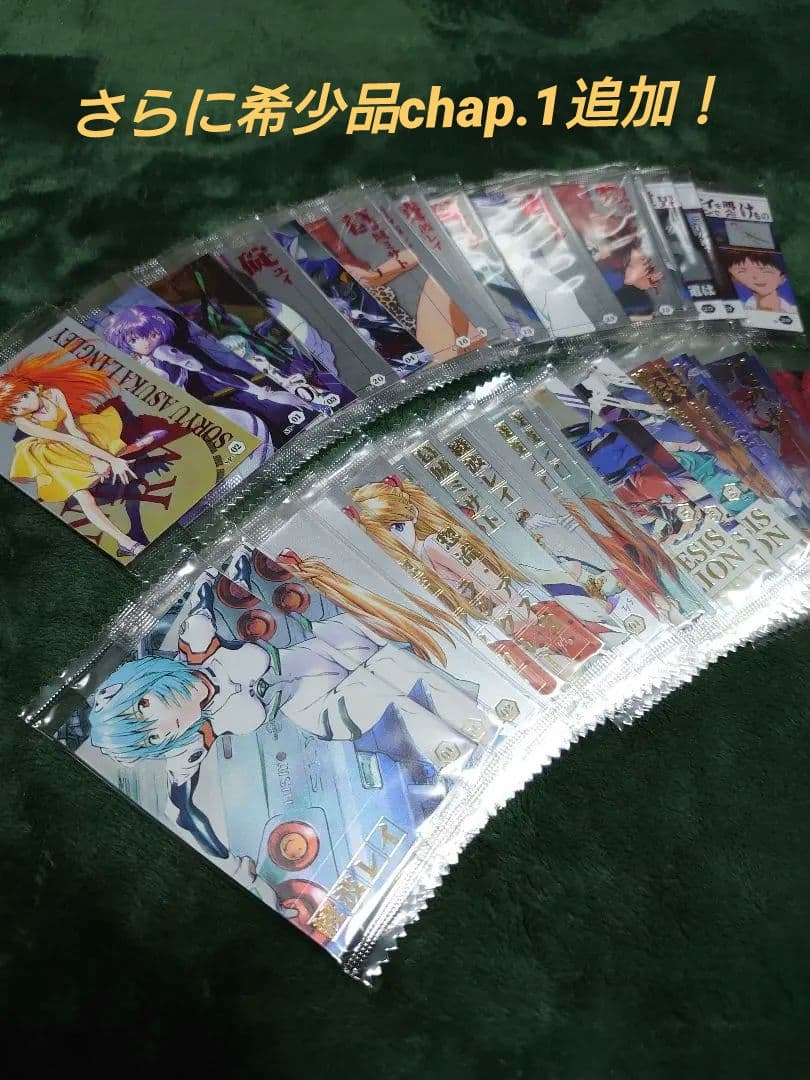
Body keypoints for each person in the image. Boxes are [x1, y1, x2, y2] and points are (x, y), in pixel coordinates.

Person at [0, 350, 144, 555]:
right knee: (85, 498)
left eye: (23, 397)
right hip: (52, 453)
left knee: (111, 444)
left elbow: (73, 430)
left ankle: (133, 447)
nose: (22, 407)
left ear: (33, 388)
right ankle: (125, 542)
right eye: (13, 408)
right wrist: (105, 461)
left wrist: (99, 458)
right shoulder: (23, 422)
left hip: (75, 438)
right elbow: (66, 440)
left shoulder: (54, 394)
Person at [722, 250, 798, 314]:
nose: (756, 276)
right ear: (734, 279)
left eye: (765, 271)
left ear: (782, 278)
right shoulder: (736, 310)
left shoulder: (795, 312)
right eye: (743, 271)